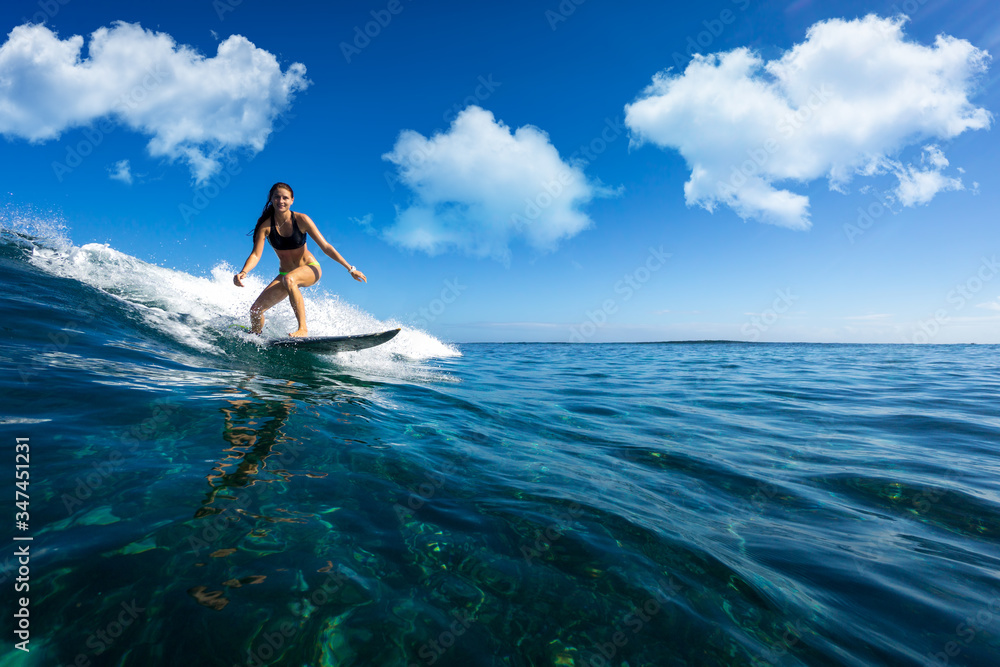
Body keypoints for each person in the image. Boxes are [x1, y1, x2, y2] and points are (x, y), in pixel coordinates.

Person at [233, 182, 367, 337]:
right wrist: (244, 272)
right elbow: (256, 254)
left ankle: (303, 329)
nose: (281, 201)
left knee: (290, 279)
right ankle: (254, 336)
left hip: (310, 268)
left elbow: (325, 246)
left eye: (285, 198)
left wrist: (350, 268)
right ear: (271, 199)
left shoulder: (301, 219)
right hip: (285, 275)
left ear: (292, 200)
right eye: (277, 197)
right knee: (255, 310)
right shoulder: (266, 226)